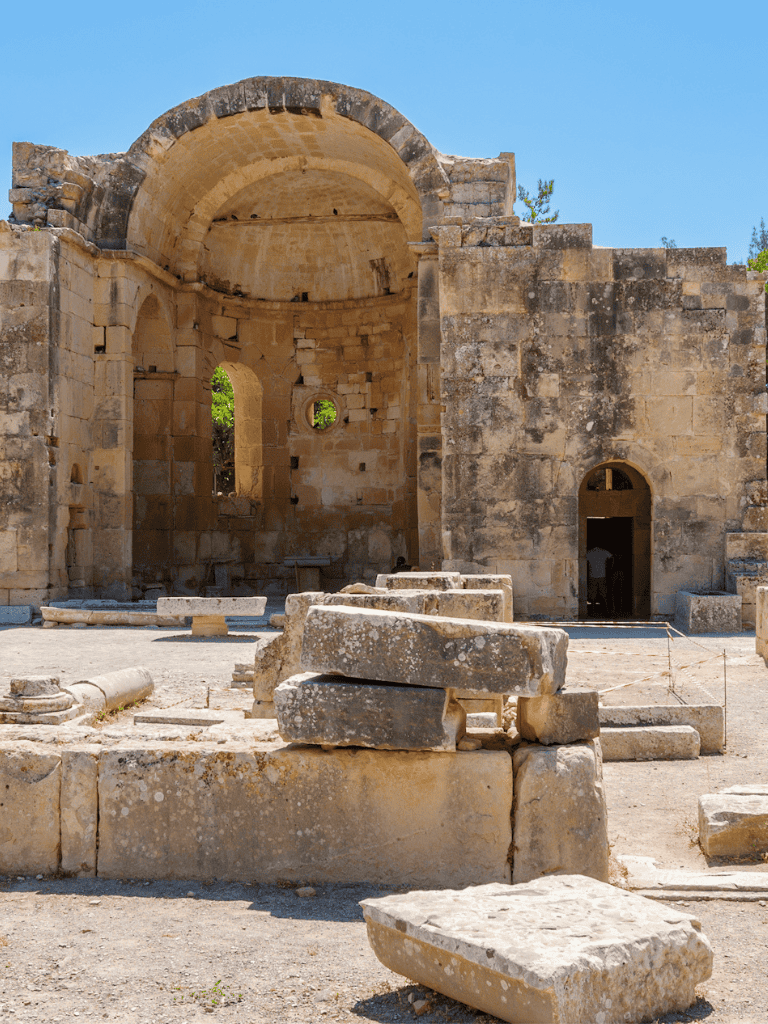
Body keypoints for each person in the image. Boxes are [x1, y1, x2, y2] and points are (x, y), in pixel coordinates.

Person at [586, 546, 612, 617]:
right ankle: (606, 610)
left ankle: (592, 611)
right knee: (603, 593)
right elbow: (611, 558)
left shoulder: (589, 553)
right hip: (602, 575)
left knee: (592, 594)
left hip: (592, 575)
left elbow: (585, 561)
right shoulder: (604, 552)